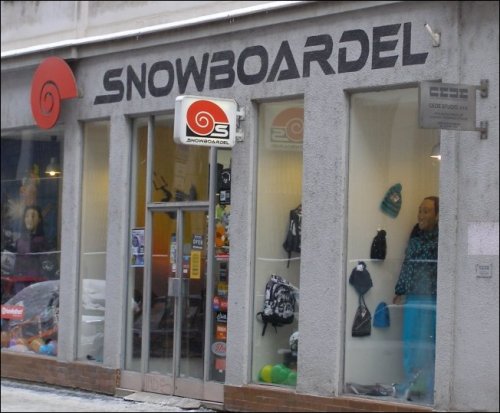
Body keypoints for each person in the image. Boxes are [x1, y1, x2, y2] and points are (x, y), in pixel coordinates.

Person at [393, 196, 439, 402]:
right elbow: (407, 264)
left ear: (437, 215)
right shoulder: (414, 238)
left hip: (431, 297)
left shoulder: (441, 240)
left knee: (429, 343)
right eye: (420, 210)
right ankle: (412, 385)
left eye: (426, 211)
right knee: (410, 341)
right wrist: (400, 289)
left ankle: (430, 387)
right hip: (413, 296)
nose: (421, 214)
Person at [14, 205, 49, 279]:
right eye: (27, 216)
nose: (30, 219)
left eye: (33, 216)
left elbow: (46, 264)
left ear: (39, 219)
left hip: (36, 280)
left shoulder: (43, 241)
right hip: (19, 280)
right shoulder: (19, 241)